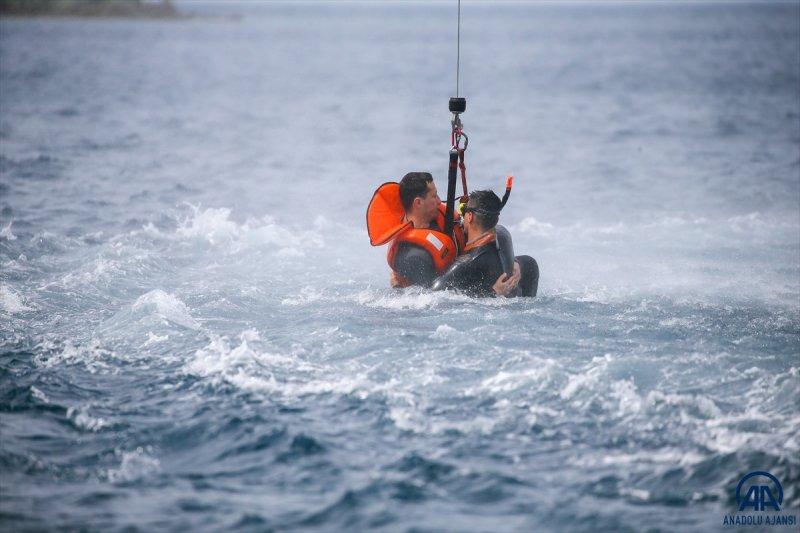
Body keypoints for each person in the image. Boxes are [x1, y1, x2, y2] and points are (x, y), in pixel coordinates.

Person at [389, 173, 521, 296]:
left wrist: (512, 263)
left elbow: (485, 226)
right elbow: (433, 300)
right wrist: (491, 294)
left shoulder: (446, 219)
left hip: (469, 273)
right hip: (453, 299)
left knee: (528, 263)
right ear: (418, 203)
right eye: (434, 196)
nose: (440, 200)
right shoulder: (412, 255)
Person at [431, 189, 539, 297]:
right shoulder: (504, 237)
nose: (461, 216)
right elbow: (531, 263)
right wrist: (515, 262)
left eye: (463, 210)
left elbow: (432, 295)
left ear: (470, 216)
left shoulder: (466, 264)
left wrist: (492, 294)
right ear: (496, 219)